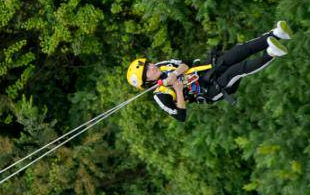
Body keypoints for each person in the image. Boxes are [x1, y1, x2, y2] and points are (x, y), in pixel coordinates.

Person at [125, 21, 292, 121]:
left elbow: (185, 63)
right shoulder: (160, 95)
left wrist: (175, 75)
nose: (151, 67)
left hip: (207, 69)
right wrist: (176, 88)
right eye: (147, 71)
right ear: (146, 82)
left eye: (148, 65)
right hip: (209, 90)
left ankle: (277, 34)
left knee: (240, 50)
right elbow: (180, 116)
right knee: (237, 70)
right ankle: (271, 54)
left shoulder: (163, 66)